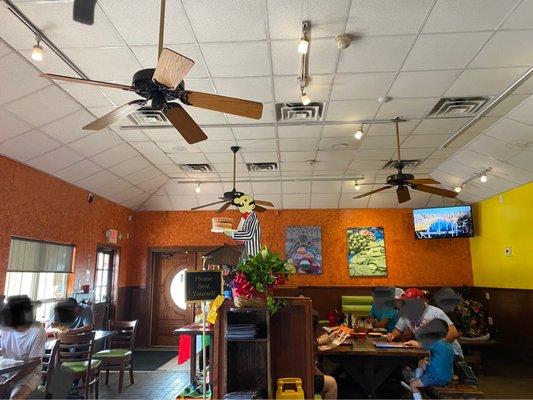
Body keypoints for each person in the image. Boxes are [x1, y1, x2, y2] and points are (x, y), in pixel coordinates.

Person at [386, 288, 463, 358]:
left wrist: (424, 345)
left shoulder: (435, 312)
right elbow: (398, 330)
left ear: (422, 302)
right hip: (429, 355)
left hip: (452, 354)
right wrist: (392, 336)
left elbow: (454, 333)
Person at [0, 295, 47, 400]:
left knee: (16, 398)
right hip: (6, 370)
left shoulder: (37, 331)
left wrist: (8, 383)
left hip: (28, 373)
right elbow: (3, 350)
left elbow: (33, 364)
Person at [403, 319, 455, 400]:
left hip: (435, 377)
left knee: (413, 384)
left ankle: (417, 393)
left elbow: (419, 345)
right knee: (421, 362)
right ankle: (419, 380)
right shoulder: (449, 346)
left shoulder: (436, 342)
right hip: (447, 378)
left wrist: (412, 342)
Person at [313, 316, 338, 399]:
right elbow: (312, 369)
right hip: (303, 378)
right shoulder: (302, 335)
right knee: (332, 383)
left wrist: (323, 340)